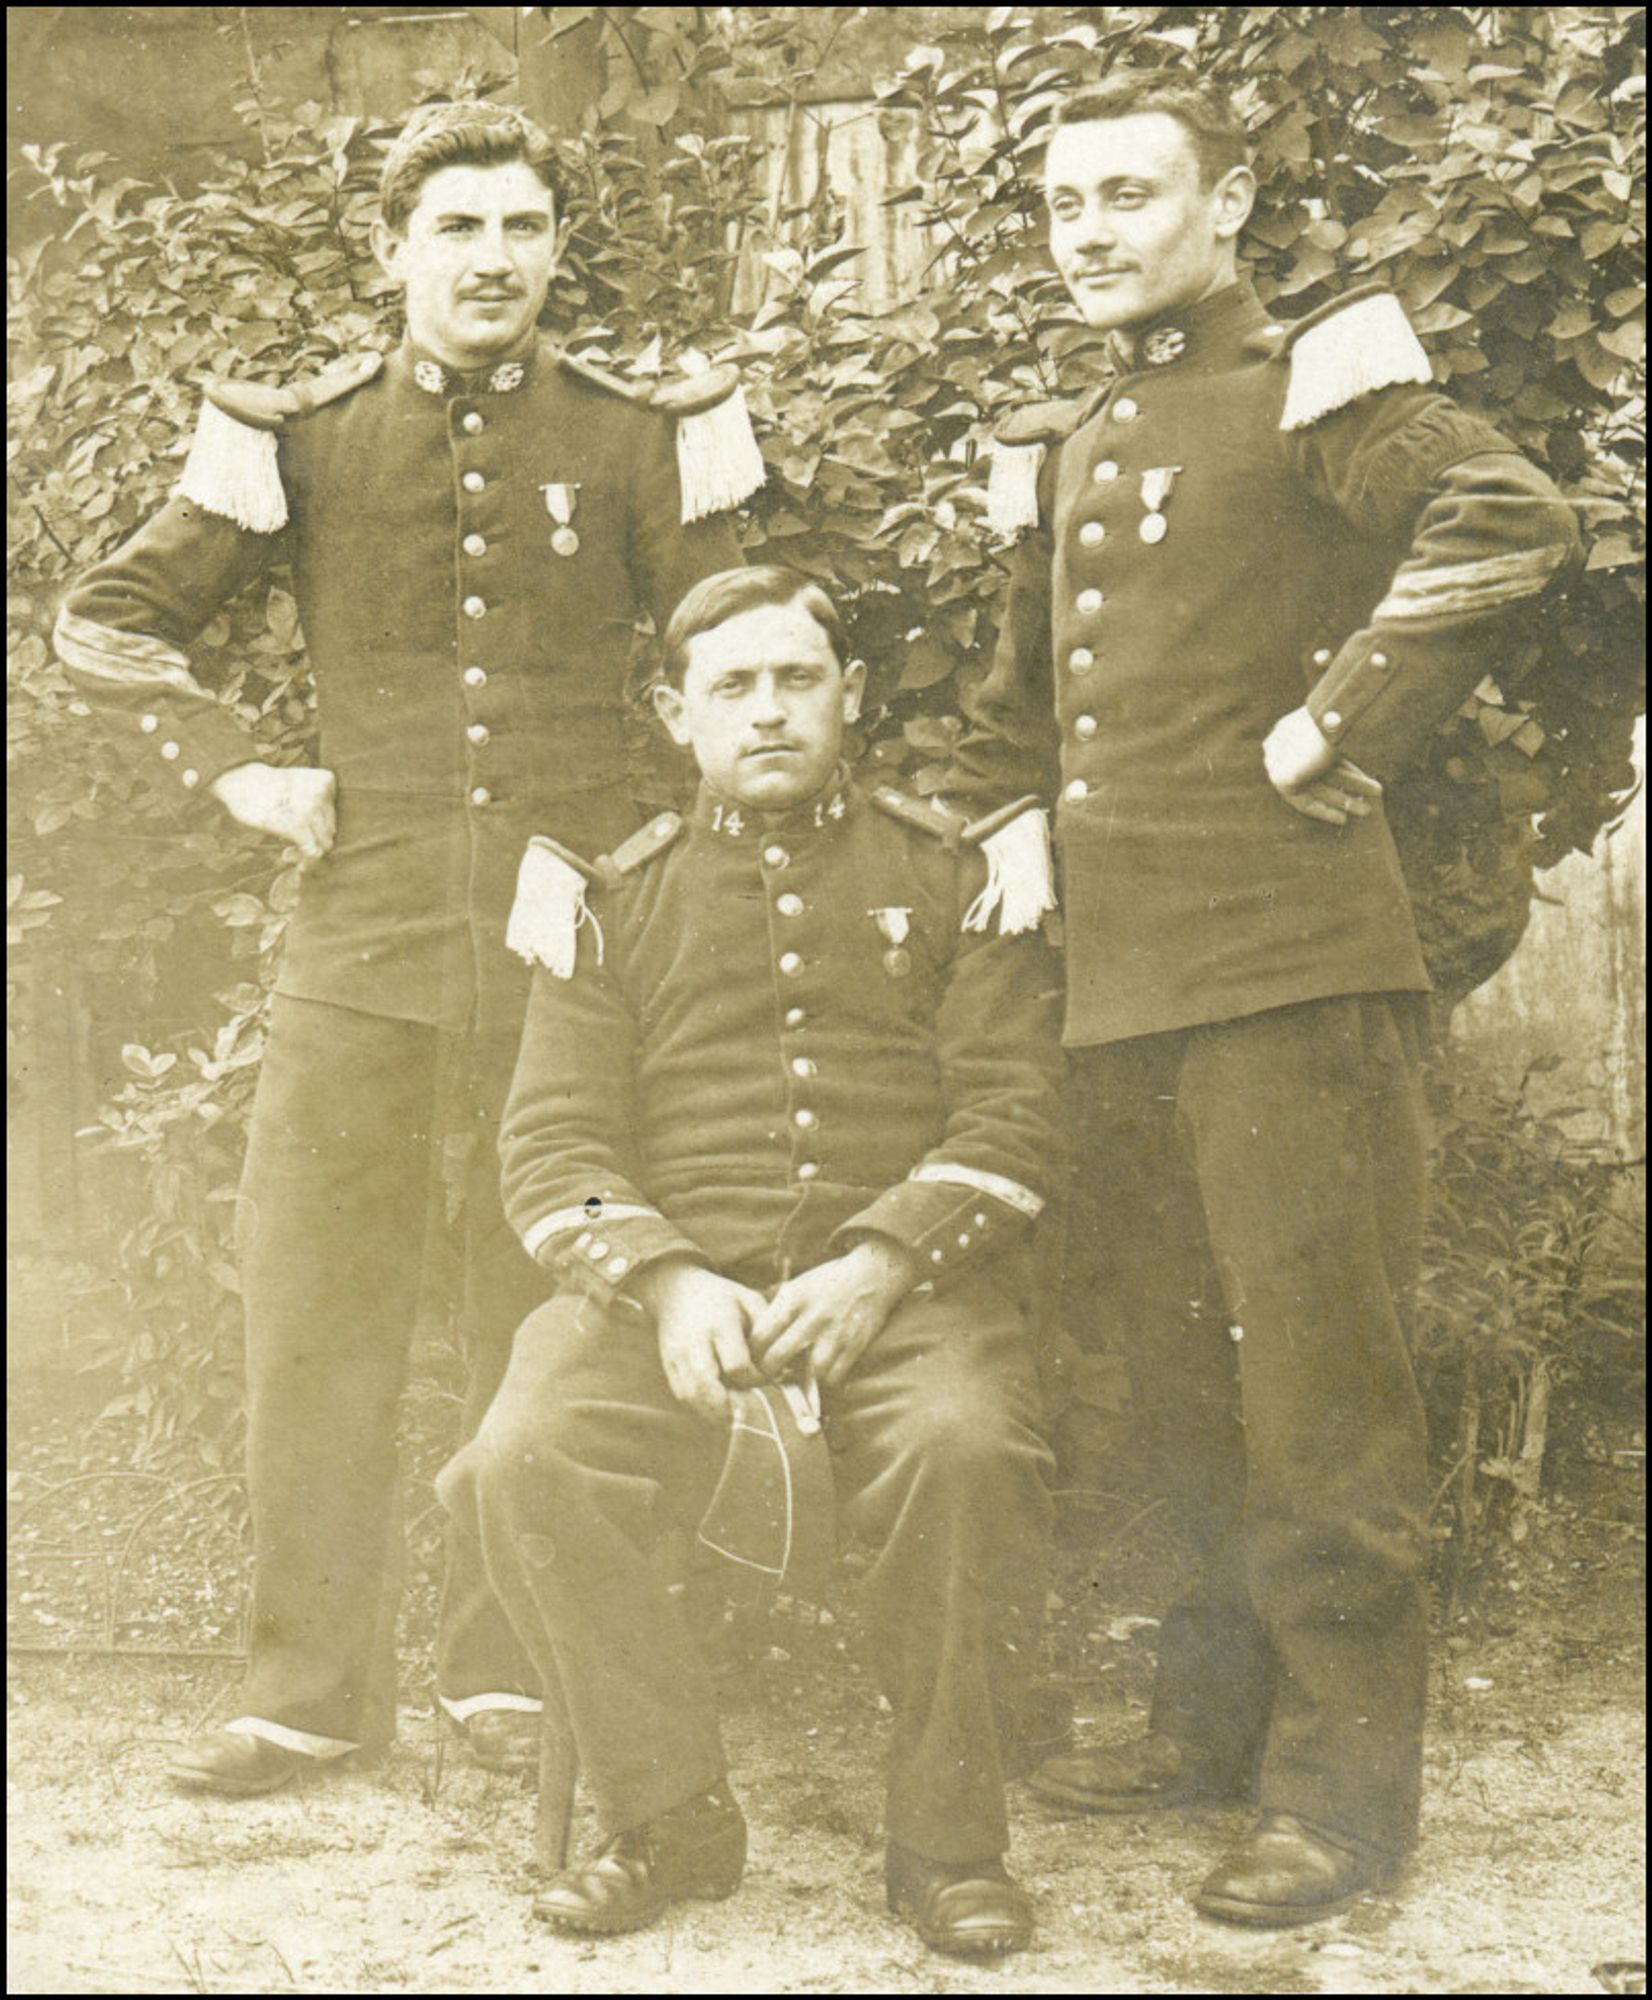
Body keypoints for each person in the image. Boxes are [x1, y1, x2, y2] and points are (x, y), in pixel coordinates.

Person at [53, 99, 757, 1796]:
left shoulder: (648, 437)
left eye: (522, 228)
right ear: (393, 254)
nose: (493, 260)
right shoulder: (295, 438)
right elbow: (106, 620)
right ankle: (304, 1690)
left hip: (574, 951)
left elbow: (742, 647)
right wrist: (234, 763)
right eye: (458, 229)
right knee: (312, 1307)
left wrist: (670, 852)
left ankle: (517, 1672)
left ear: (556, 250)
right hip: (356, 939)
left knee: (551, 1306)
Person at [945, 71, 1582, 1926]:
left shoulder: (1315, 382)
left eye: (1132, 194)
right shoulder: (1073, 432)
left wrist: (1341, 726)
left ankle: (1338, 1795)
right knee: (1169, 1390)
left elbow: (1503, 515)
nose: (1094, 229)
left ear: (1221, 209)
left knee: (1322, 1393)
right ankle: (1211, 1727)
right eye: (1067, 203)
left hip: (1296, 974)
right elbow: (1017, 708)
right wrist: (1012, 830)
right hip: (1123, 994)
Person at [437, 565, 1065, 1957]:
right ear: (679, 714)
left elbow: (1013, 1111)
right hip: (668, 1305)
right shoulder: (609, 899)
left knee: (961, 1444)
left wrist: (886, 1262)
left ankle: (948, 1849)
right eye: (733, 687)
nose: (768, 711)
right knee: (520, 1452)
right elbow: (551, 1145)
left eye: (797, 680)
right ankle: (668, 1819)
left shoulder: (958, 871)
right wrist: (666, 1280)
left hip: (903, 1301)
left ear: (852, 697)